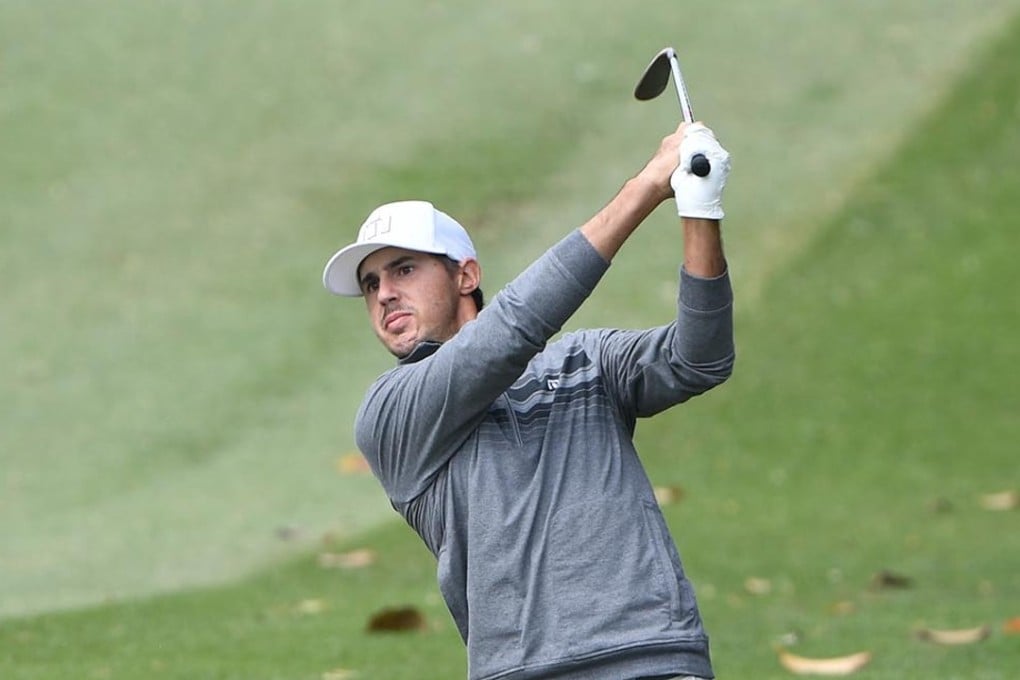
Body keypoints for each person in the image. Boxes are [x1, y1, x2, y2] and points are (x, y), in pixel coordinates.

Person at [322, 121, 734, 680]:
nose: (384, 293)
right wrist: (644, 189)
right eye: (370, 284)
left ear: (465, 274)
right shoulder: (391, 415)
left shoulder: (585, 363)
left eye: (404, 269)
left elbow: (699, 358)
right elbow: (506, 334)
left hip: (654, 655)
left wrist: (699, 208)